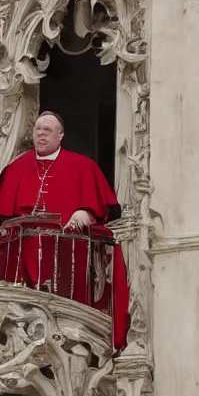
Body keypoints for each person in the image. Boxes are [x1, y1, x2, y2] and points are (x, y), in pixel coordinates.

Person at [0, 111, 129, 348]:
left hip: (68, 255)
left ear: (60, 135)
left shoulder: (83, 166)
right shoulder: (16, 168)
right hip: (22, 256)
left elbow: (108, 210)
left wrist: (87, 213)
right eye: (37, 129)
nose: (41, 134)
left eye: (47, 130)